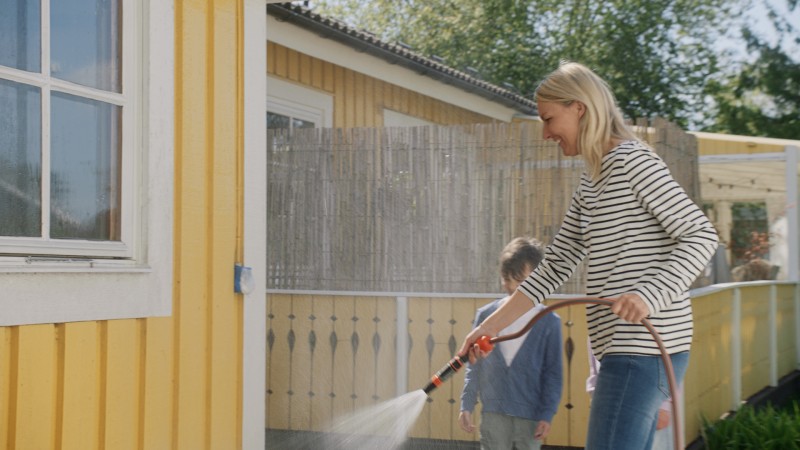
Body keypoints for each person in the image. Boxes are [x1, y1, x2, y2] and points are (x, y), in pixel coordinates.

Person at [458, 61, 719, 450]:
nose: (545, 133)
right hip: (624, 351)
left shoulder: (634, 162)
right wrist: (487, 327)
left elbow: (701, 235)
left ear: (579, 107)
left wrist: (648, 295)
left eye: (549, 119)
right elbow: (553, 268)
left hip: (642, 349)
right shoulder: (593, 180)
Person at [459, 237, 563, 450]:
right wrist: (467, 405)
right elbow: (474, 366)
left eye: (520, 280)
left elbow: (553, 375)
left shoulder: (549, 323)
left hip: (530, 416)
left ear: (538, 279)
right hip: (493, 413)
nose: (513, 286)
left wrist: (546, 414)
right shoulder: (487, 317)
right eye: (507, 279)